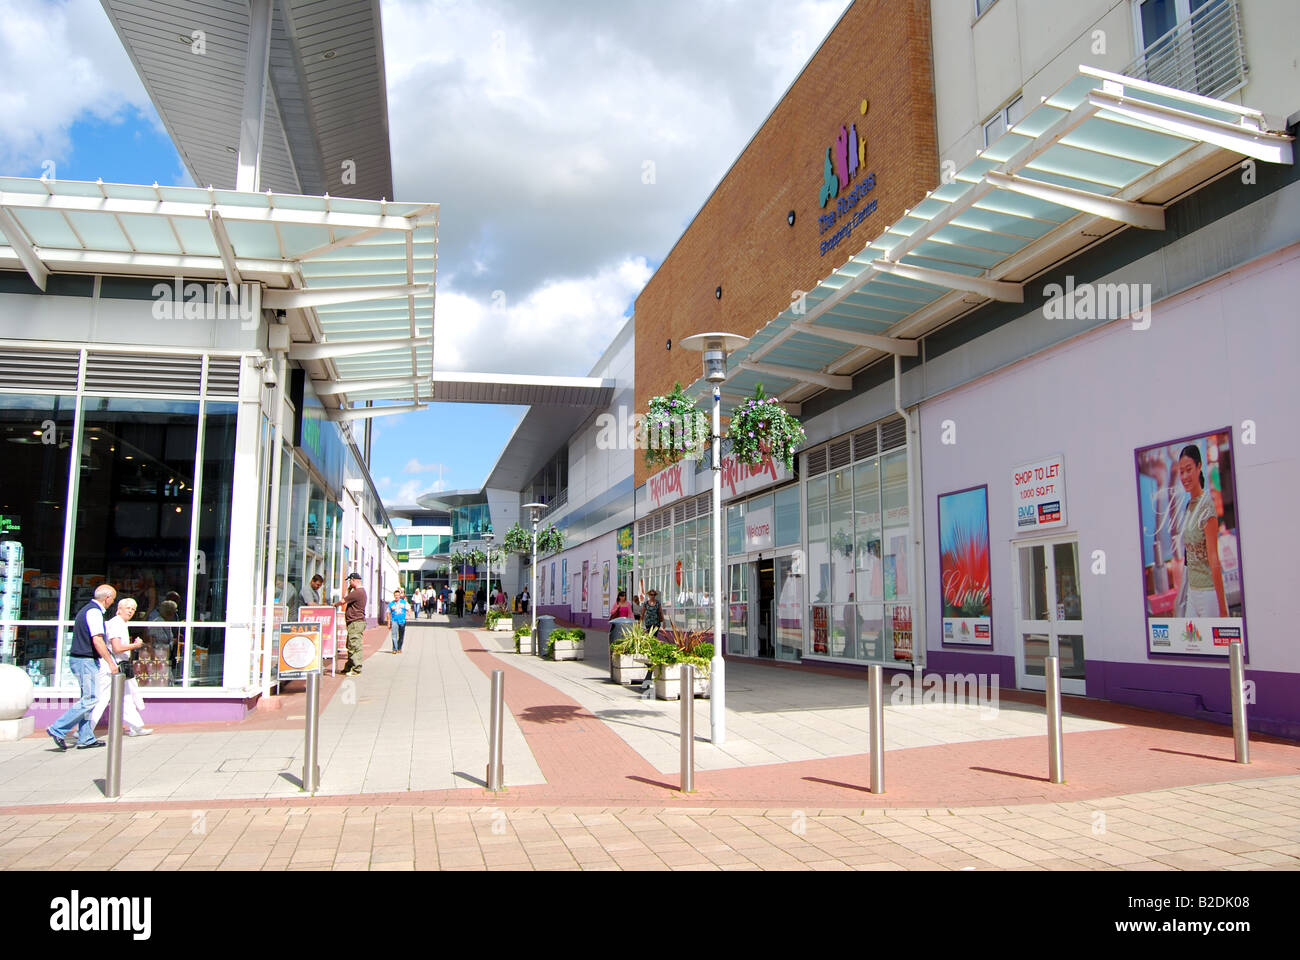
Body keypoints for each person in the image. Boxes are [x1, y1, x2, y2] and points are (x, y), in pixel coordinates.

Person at [47, 584, 118, 751]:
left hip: (81, 660)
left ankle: (86, 737)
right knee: (91, 698)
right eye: (113, 600)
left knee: (87, 698)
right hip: (85, 661)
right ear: (106, 598)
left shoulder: (87, 609)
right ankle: (57, 728)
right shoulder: (94, 612)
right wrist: (110, 663)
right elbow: (97, 640)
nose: (112, 603)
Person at [1174, 444, 1228, 617]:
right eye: (1181, 472)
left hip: (1208, 594)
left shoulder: (1206, 506)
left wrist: (1223, 609)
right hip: (1192, 593)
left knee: (1211, 644)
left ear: (1199, 467)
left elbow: (1214, 559)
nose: (1184, 476)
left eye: (1188, 470)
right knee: (1190, 643)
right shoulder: (1189, 506)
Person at [89, 597, 151, 736]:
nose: (130, 611)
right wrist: (135, 645)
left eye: (133, 609)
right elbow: (116, 648)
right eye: (128, 608)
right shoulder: (117, 624)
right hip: (114, 666)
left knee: (126, 696)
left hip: (118, 665)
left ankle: (136, 727)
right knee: (103, 698)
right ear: (119, 609)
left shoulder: (119, 623)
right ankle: (86, 728)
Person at [335, 572, 367, 676]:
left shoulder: (357, 592)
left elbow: (343, 601)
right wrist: (349, 589)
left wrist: (334, 604)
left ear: (354, 580)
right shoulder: (359, 592)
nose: (349, 582)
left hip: (355, 622)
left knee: (354, 645)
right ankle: (348, 667)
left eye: (350, 581)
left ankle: (357, 668)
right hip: (355, 622)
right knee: (350, 644)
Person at [146, 599, 179, 685]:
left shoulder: (165, 622)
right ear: (169, 612)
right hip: (158, 657)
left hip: (164, 657)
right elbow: (158, 642)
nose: (175, 614)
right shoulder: (158, 623)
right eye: (174, 612)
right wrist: (173, 642)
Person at [388, 589, 410, 654]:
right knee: (394, 635)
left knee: (401, 635)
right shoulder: (391, 604)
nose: (396, 596)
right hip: (394, 620)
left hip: (402, 621)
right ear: (394, 596)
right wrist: (388, 623)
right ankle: (394, 649)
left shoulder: (404, 602)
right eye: (395, 595)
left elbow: (409, 609)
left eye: (398, 595)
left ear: (400, 596)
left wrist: (408, 615)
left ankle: (399, 648)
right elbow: (388, 613)